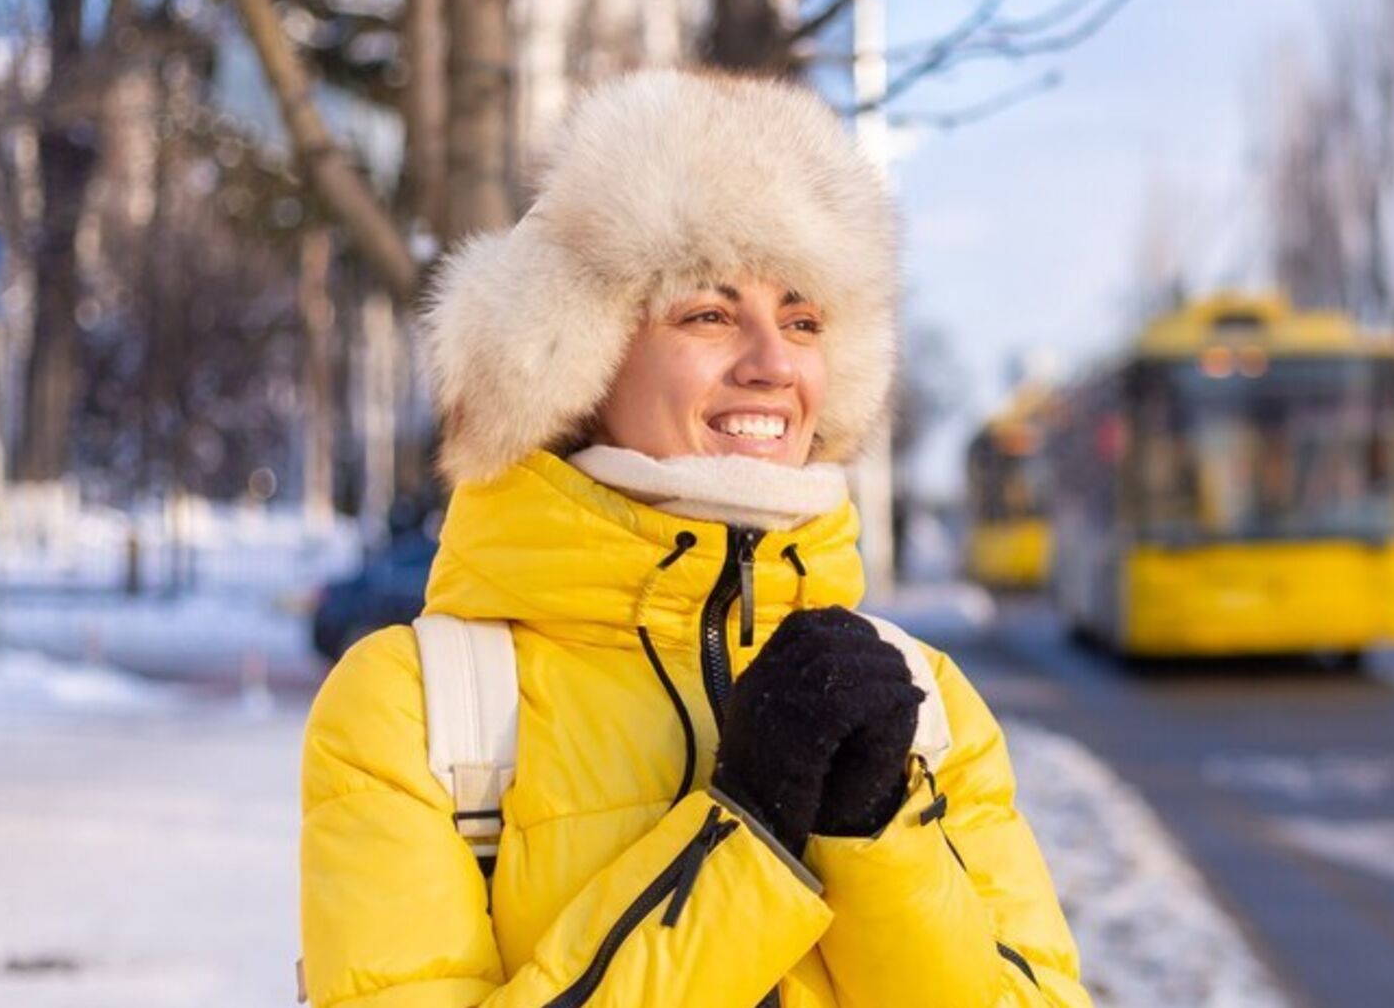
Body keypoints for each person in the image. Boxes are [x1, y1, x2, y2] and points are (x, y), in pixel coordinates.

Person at [298, 71, 1089, 1008]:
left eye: (803, 319)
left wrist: (881, 836)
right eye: (708, 314)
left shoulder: (924, 702)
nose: (771, 363)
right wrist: (742, 835)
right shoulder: (414, 714)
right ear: (578, 359)